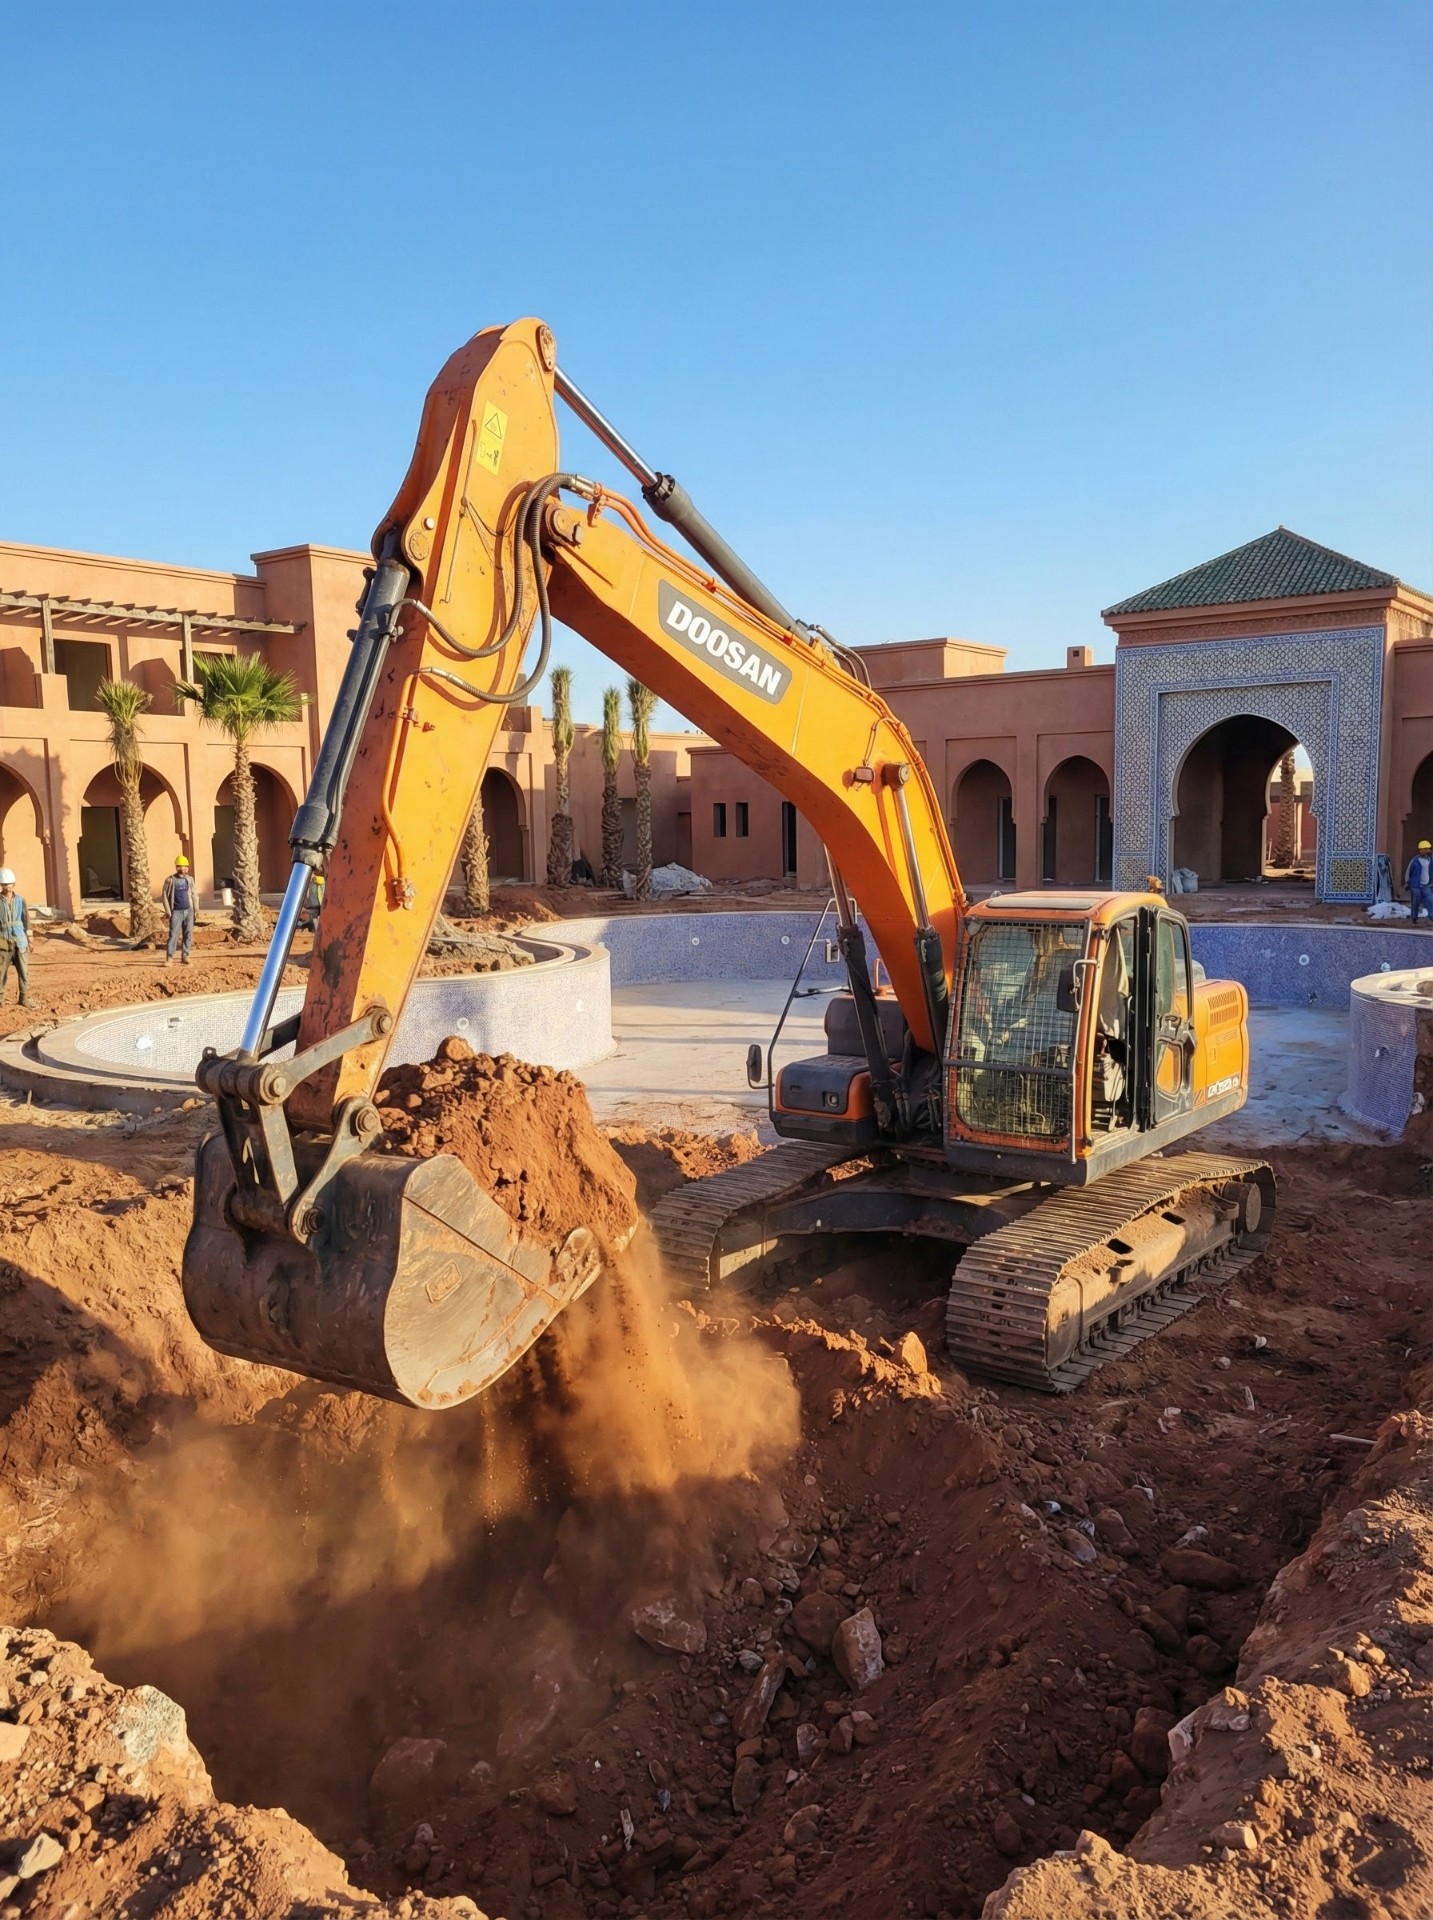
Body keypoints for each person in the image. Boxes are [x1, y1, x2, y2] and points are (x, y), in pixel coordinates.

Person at [0, 868, 31, 1007]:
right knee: (1, 973)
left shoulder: (20, 900)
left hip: (20, 940)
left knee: (24, 972)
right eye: (5, 884)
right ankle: (0, 1000)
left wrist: (30, 939)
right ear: (1, 885)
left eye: (10, 883)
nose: (8, 886)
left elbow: (26, 920)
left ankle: (24, 999)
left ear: (14, 884)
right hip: (3, 941)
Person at [161, 855, 196, 965]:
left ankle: (185, 956)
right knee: (173, 935)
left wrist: (196, 909)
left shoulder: (189, 880)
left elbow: (194, 894)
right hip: (176, 912)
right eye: (181, 866)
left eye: (186, 866)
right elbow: (165, 896)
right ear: (177, 867)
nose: (184, 869)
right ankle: (169, 958)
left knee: (188, 934)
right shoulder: (170, 880)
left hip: (189, 911)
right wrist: (168, 911)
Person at [1408, 840, 1433, 925]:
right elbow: (1409, 871)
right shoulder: (1415, 860)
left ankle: (1432, 916)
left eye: (1428, 849)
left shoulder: (1430, 859)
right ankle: (1414, 918)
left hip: (1426, 885)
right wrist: (1407, 882)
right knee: (1416, 902)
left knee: (1430, 900)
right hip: (1416, 885)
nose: (1428, 851)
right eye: (1426, 849)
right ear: (1421, 850)